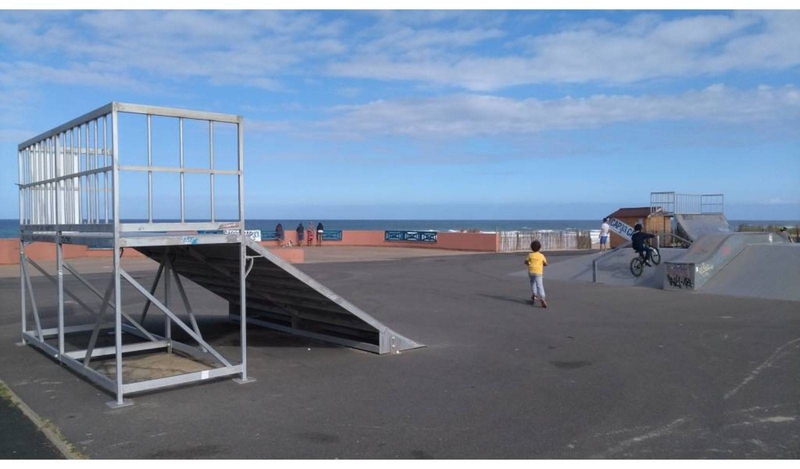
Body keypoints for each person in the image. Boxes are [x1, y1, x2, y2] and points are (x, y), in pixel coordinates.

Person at [524, 240, 548, 308]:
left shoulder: (530, 255)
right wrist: (542, 264)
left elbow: (526, 262)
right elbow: (546, 263)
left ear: (531, 248)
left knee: (532, 282)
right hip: (539, 272)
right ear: (539, 248)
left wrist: (529, 263)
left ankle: (534, 294)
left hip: (531, 271)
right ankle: (542, 298)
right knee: (539, 285)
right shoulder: (541, 255)